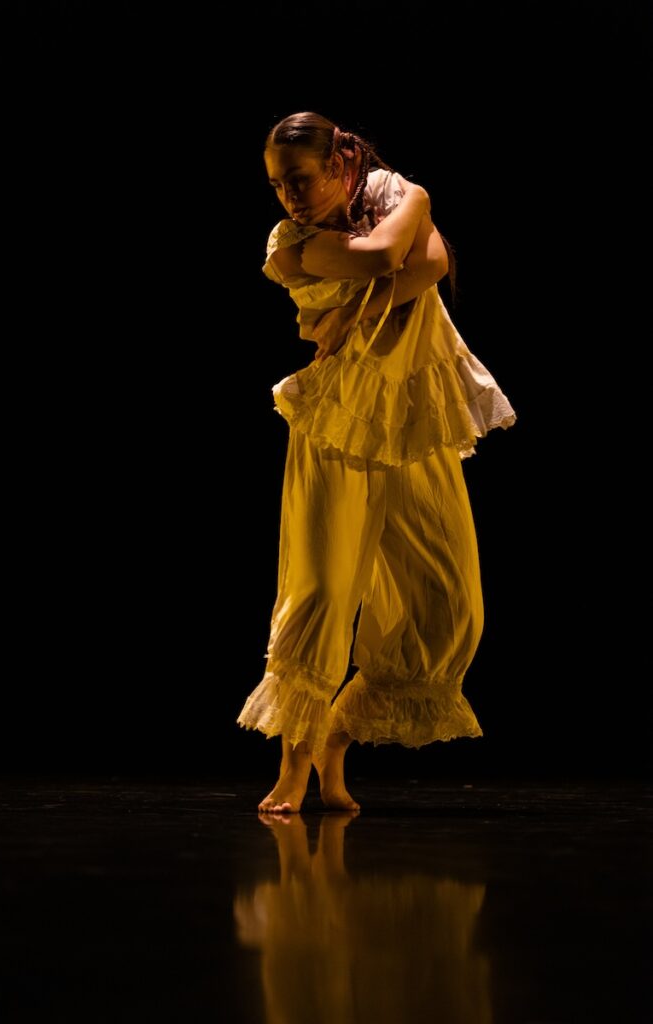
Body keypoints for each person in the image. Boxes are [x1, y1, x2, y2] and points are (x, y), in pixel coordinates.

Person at [237, 112, 516, 814]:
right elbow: (381, 259)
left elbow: (431, 262)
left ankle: (334, 742)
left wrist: (360, 314)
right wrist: (389, 273)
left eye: (300, 179)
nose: (290, 197)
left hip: (412, 420)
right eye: (277, 185)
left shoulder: (398, 192)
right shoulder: (289, 244)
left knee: (445, 600)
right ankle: (294, 773)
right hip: (336, 422)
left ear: (339, 165)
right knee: (324, 593)